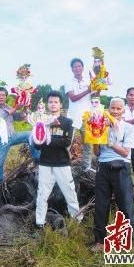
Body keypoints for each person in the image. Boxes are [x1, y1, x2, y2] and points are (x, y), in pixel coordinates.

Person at [91, 98, 134, 252]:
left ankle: (129, 241)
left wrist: (110, 142)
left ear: (123, 110)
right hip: (103, 167)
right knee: (101, 204)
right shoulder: (100, 125)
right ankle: (100, 241)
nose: (115, 111)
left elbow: (125, 152)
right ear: (108, 109)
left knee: (125, 203)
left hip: (121, 167)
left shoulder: (128, 128)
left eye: (119, 108)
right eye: (113, 108)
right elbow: (97, 153)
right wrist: (97, 137)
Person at [34, 91, 81, 227]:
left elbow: (66, 142)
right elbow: (37, 145)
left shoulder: (67, 122)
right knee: (42, 194)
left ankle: (77, 220)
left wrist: (47, 140)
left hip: (62, 163)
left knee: (70, 192)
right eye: (50, 102)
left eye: (56, 102)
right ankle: (39, 222)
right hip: (45, 163)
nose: (53, 104)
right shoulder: (41, 121)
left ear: (61, 104)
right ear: (47, 105)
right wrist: (48, 139)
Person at [0, 87, 40, 208]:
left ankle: (38, 161)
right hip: (0, 140)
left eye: (3, 95)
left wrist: (25, 108)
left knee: (30, 135)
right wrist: (16, 107)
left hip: (12, 136)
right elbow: (4, 116)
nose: (1, 97)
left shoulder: (7, 106)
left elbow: (19, 116)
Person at [65, 58, 94, 172]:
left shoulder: (89, 81)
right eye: (75, 67)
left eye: (79, 66)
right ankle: (64, 166)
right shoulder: (68, 83)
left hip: (86, 117)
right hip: (72, 117)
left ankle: (87, 167)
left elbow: (95, 94)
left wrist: (95, 86)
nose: (77, 68)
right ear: (72, 69)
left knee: (88, 143)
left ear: (82, 67)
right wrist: (88, 90)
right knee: (67, 143)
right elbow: (73, 97)